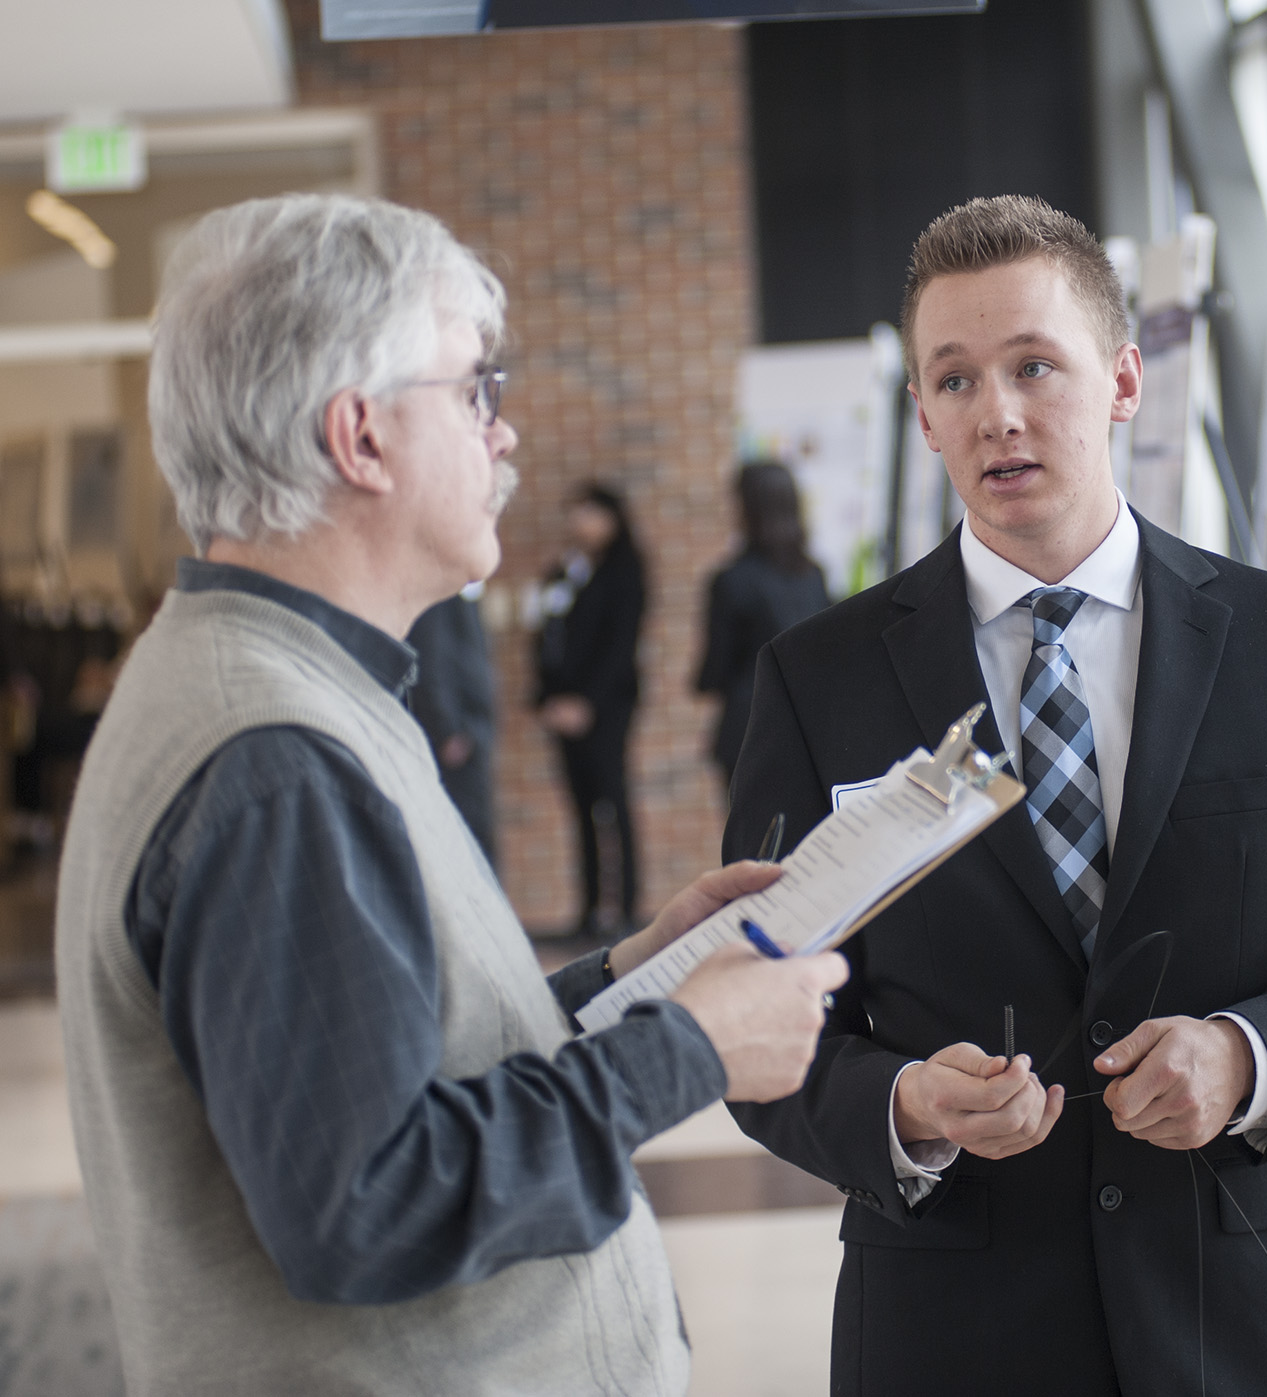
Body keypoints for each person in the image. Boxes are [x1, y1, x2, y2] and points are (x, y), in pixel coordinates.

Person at [54, 193, 846, 1397]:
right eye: (477, 388)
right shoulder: (273, 759)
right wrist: (689, 1047)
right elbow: (369, 1198)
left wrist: (640, 974)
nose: (506, 432)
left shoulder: (293, 687)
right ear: (360, 437)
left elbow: (383, 1060)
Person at [726, 194, 1267, 1395]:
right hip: (947, 1325)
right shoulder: (821, 679)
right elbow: (757, 1015)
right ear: (922, 412)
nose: (997, 413)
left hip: (1234, 1320)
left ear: (1124, 381)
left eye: (1035, 366)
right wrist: (904, 1102)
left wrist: (1247, 1055)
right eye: (955, 380)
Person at [535, 482, 646, 938]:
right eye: (573, 513)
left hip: (607, 708)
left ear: (611, 518)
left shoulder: (626, 572)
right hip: (561, 709)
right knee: (579, 805)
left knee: (612, 801)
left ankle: (625, 907)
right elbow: (544, 636)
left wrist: (587, 703)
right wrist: (547, 699)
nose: (577, 523)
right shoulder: (563, 573)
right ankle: (587, 909)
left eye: (587, 513)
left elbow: (621, 646)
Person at [693, 461, 830, 781]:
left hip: (748, 729)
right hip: (809, 727)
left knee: (750, 832)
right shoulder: (814, 576)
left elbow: (714, 670)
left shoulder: (731, 580)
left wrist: (701, 681)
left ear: (747, 508)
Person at [407, 586, 499, 862]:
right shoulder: (439, 598)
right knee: (470, 842)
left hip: (473, 732)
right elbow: (431, 660)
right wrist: (447, 730)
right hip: (459, 741)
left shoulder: (460, 596)